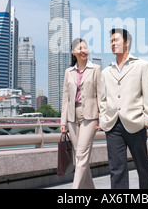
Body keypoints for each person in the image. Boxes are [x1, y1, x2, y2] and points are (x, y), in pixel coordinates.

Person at [99, 28, 148, 189]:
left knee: (142, 166)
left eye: (116, 40)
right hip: (112, 125)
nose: (113, 44)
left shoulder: (142, 66)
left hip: (136, 122)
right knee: (116, 169)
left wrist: (147, 120)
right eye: (111, 41)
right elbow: (103, 98)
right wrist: (103, 118)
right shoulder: (106, 71)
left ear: (126, 43)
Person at [60, 38, 101, 189]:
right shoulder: (68, 72)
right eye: (80, 48)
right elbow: (66, 99)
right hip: (72, 117)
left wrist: (101, 119)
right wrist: (63, 122)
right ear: (73, 52)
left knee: (82, 155)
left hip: (90, 116)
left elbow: (100, 95)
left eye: (85, 47)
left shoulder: (96, 69)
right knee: (79, 159)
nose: (83, 50)